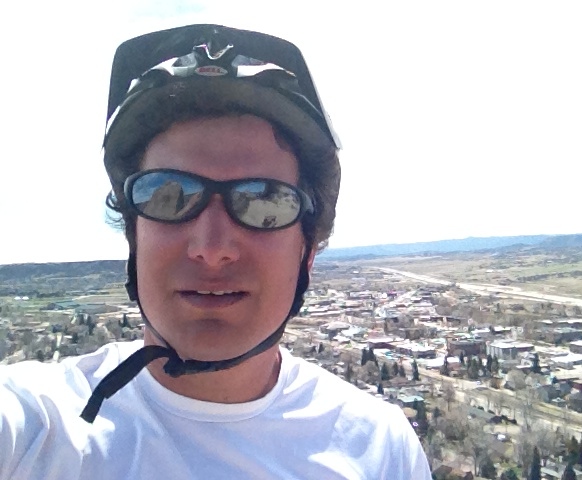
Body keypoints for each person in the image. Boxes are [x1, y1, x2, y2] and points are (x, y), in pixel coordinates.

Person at [0, 24, 431, 479]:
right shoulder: (34, 431)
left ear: (307, 251)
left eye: (265, 203)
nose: (212, 248)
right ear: (134, 236)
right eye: (168, 196)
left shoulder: (379, 449)